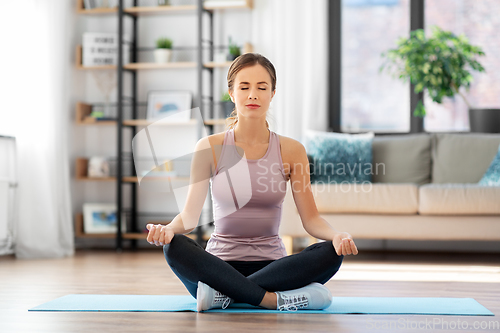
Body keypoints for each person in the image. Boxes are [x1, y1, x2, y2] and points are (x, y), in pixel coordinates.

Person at [146, 53, 358, 312]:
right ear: (231, 93)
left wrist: (338, 236)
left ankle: (225, 296)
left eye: (262, 87)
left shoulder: (292, 151)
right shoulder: (210, 148)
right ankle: (269, 299)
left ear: (273, 93)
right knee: (174, 246)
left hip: (274, 268)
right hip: (218, 267)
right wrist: (168, 230)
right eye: (244, 87)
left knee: (331, 252)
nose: (253, 95)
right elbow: (189, 218)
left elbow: (311, 219)